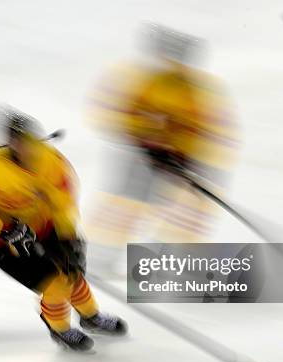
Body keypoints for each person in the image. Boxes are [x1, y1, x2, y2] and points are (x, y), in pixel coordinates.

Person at [0, 106, 127, 351]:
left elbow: (62, 204)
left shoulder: (53, 162)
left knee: (72, 271)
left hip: (45, 228)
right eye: (17, 141)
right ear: (10, 143)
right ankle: (59, 328)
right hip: (3, 243)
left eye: (28, 140)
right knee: (55, 284)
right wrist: (5, 229)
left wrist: (68, 237)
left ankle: (90, 316)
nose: (25, 147)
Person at [86, 24, 240, 263]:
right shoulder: (155, 84)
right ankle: (101, 256)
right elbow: (128, 116)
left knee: (172, 211)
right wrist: (151, 143)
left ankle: (150, 261)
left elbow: (198, 130)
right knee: (130, 203)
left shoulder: (190, 90)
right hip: (145, 158)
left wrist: (181, 157)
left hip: (175, 163)